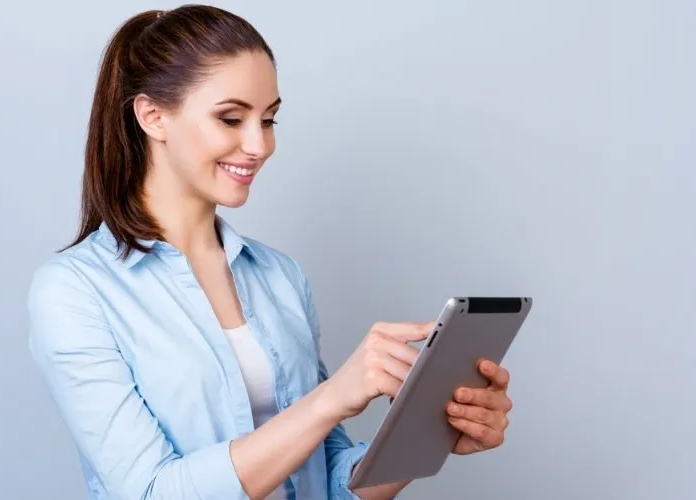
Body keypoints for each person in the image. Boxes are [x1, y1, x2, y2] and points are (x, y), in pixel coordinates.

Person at [26, 5, 515, 499]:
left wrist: (430, 431)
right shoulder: (74, 292)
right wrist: (331, 399)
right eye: (231, 118)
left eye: (269, 119)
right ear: (153, 116)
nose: (258, 145)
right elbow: (151, 491)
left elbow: (328, 482)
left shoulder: (280, 276)